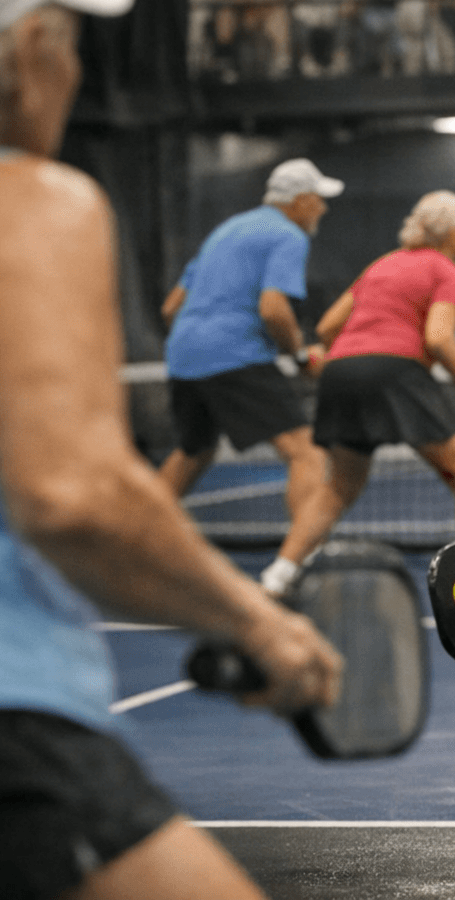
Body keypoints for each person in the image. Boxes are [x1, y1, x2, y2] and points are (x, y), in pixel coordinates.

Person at [0, 0, 341, 895]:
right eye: (65, 33)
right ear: (23, 51)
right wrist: (255, 622)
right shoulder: (26, 203)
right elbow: (70, 494)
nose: (72, 64)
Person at [262, 191, 455, 590]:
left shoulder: (382, 265)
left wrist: (350, 356)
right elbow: (439, 339)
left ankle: (278, 575)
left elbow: (325, 330)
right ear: (448, 234)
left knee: (338, 487)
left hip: (340, 372)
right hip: (397, 372)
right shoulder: (446, 270)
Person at [157, 159, 343, 592]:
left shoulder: (225, 230)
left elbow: (171, 308)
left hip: (183, 353)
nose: (322, 209)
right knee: (304, 452)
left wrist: (204, 343)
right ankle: (301, 560)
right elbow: (274, 310)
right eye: (318, 200)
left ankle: (128, 543)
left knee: (193, 451)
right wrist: (298, 357)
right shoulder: (287, 235)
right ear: (299, 201)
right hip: (234, 354)